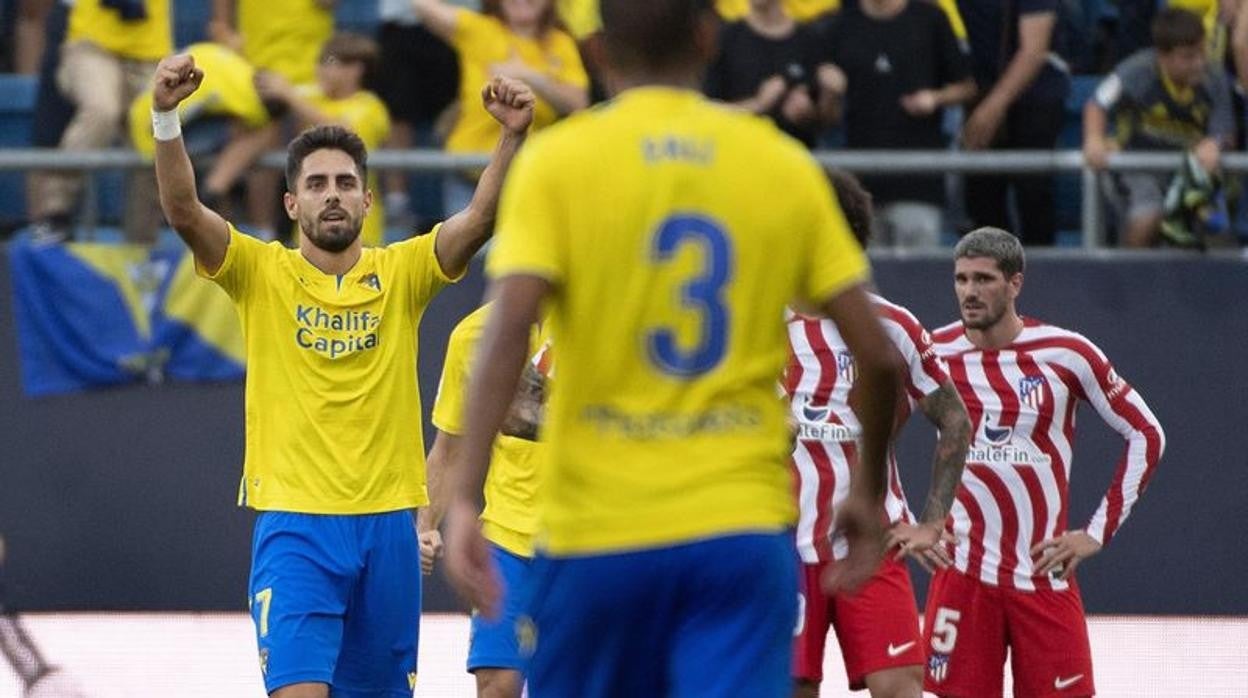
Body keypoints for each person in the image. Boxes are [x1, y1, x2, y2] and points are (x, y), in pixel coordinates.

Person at [442, 1, 906, 695]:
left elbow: (504, 334)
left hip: (598, 529)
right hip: (736, 525)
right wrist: (868, 493)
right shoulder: (776, 162)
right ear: (708, 39)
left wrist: (463, 500)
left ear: (596, 52)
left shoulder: (560, 163)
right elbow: (881, 356)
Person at [150, 49, 534, 696]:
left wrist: (511, 136)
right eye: (318, 184)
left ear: (368, 199)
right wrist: (165, 116)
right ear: (292, 203)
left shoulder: (403, 274)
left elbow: (480, 221)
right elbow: (186, 211)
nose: (333, 195)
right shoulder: (260, 273)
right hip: (296, 526)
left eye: (346, 183)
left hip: (389, 531)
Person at [923, 227, 1166, 698]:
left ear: (1015, 283)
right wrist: (918, 519)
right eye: (961, 279)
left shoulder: (1067, 354)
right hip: (963, 576)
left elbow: (1147, 433)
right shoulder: (934, 354)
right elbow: (871, 426)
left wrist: (1096, 531)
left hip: (1041, 573)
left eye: (984, 279)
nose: (969, 292)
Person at [789, 171, 971, 698]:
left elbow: (955, 420)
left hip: (871, 542)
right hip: (784, 548)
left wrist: (934, 521)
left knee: (900, 687)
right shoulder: (757, 326)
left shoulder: (891, 326)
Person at [422, 304, 551, 698]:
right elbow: (449, 447)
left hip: (584, 542)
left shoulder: (603, 321)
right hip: (505, 540)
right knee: (496, 684)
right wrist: (425, 525)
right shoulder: (473, 335)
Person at [820, 0, 975, 248]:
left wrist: (935, 98)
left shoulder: (930, 18)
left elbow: (967, 86)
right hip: (862, 186)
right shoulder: (840, 24)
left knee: (918, 280)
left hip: (918, 181)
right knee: (868, 282)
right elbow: (826, 118)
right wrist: (830, 93)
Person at [412, 0, 590, 216]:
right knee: (462, 248)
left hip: (525, 177)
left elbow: (579, 103)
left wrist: (527, 75)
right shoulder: (481, 29)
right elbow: (421, 5)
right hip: (468, 176)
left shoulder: (561, 43)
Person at [1084, 7, 1234, 248]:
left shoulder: (1214, 78)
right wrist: (1094, 139)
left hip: (1191, 172)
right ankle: (1127, 282)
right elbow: (1097, 103)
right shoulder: (1137, 70)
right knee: (1147, 216)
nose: (1198, 63)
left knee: (1215, 228)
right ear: (1163, 57)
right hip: (1138, 168)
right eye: (1188, 56)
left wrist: (1214, 143)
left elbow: (1225, 131)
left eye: (1201, 53)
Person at [29, 0, 172, 243]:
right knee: (101, 109)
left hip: (149, 54)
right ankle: (55, 212)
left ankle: (142, 243)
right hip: (90, 47)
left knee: (154, 128)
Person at [255, 33, 393, 246]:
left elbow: (343, 134)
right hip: (308, 231)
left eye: (329, 63)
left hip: (359, 231)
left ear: (356, 69)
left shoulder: (368, 105)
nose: (320, 70)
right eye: (320, 63)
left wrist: (289, 95)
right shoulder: (311, 98)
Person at [956, 0, 1070, 246]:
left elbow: (1033, 51)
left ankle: (1041, 276)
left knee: (1033, 194)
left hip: (1036, 97)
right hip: (978, 92)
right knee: (982, 203)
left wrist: (992, 108)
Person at [703, 0, 837, 148]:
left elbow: (826, 121)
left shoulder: (810, 39)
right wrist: (758, 104)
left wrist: (825, 98)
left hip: (793, 158)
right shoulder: (725, 38)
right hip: (740, 155)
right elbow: (707, 110)